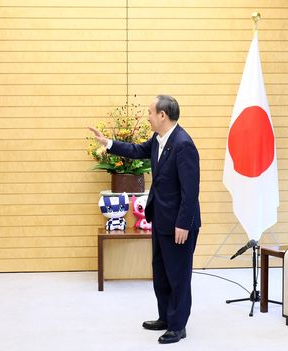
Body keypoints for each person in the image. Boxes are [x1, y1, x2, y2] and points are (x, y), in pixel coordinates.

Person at [88, 95, 201, 344]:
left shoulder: (183, 144)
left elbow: (190, 191)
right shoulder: (158, 139)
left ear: (163, 115)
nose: (148, 116)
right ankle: (165, 317)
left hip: (179, 225)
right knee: (161, 273)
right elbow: (136, 151)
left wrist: (183, 224)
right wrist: (108, 143)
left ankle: (178, 326)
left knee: (178, 276)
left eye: (150, 112)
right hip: (160, 220)